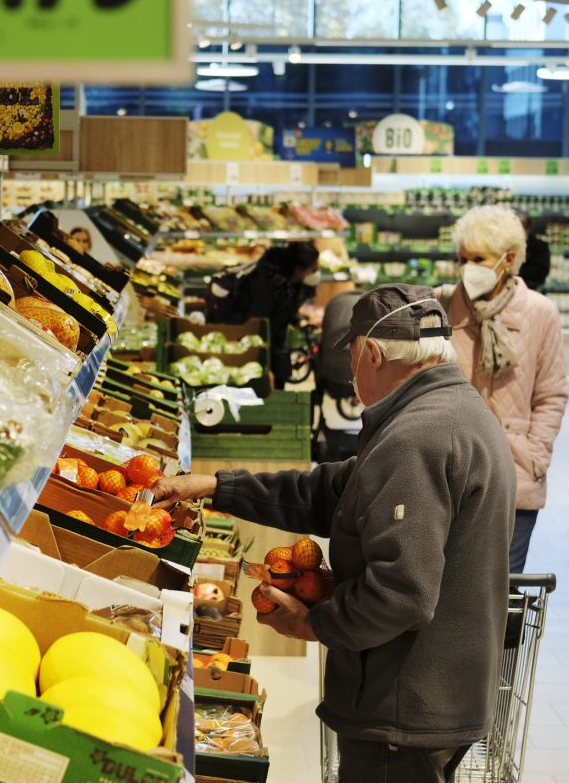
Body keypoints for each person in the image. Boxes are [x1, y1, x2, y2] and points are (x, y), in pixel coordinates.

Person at [150, 284, 515, 783]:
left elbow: (401, 594)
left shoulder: (416, 438)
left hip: (402, 704)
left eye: (352, 356)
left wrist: (315, 625)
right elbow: (331, 492)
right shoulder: (454, 412)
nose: (349, 372)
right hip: (434, 694)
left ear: (373, 352)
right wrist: (217, 486)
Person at [445, 205, 567, 573]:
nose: (467, 267)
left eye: (478, 258)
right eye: (462, 258)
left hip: (516, 472)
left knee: (503, 591)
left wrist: (535, 456)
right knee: (449, 590)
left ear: (508, 259)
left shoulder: (541, 314)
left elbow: (551, 395)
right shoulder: (443, 309)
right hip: (451, 472)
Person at [229, 240, 321, 389]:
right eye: (311, 270)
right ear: (298, 269)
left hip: (272, 344)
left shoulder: (284, 280)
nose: (315, 272)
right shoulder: (267, 284)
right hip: (255, 347)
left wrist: (297, 321)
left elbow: (285, 310)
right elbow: (259, 322)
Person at [515, 212, 551, 291]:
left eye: (522, 225)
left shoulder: (540, 246)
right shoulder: (507, 245)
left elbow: (541, 271)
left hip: (532, 288)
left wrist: (515, 270)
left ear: (527, 228)